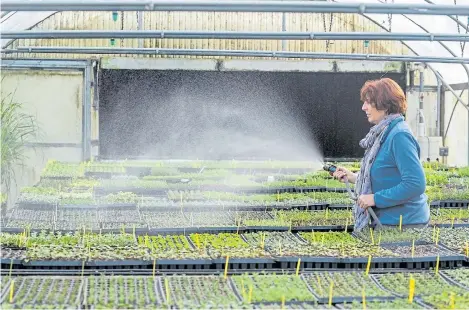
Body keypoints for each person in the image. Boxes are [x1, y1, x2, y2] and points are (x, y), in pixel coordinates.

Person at [331, 78, 429, 230]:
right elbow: (386, 177)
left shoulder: (399, 136)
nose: (364, 107)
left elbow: (416, 184)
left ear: (384, 104)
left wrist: (375, 199)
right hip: (386, 222)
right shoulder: (383, 134)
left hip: (403, 225)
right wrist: (353, 177)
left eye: (369, 102)